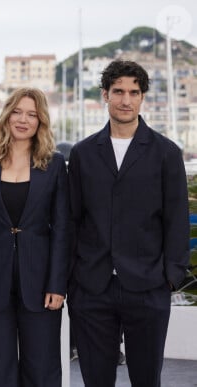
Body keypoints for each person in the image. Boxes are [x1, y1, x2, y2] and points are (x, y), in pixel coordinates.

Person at [68, 59, 190, 386]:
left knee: (147, 379)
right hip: (92, 287)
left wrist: (170, 276)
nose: (126, 100)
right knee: (95, 379)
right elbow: (73, 218)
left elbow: (177, 218)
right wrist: (73, 279)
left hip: (148, 286)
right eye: (118, 91)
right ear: (105, 95)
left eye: (134, 92)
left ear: (142, 97)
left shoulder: (166, 152)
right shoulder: (82, 153)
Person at [0, 87, 70, 386]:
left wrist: (57, 284)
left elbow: (62, 230)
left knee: (43, 369)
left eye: (32, 114)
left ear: (41, 121)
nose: (23, 120)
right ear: (7, 115)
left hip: (41, 283)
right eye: (18, 112)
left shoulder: (55, 164)